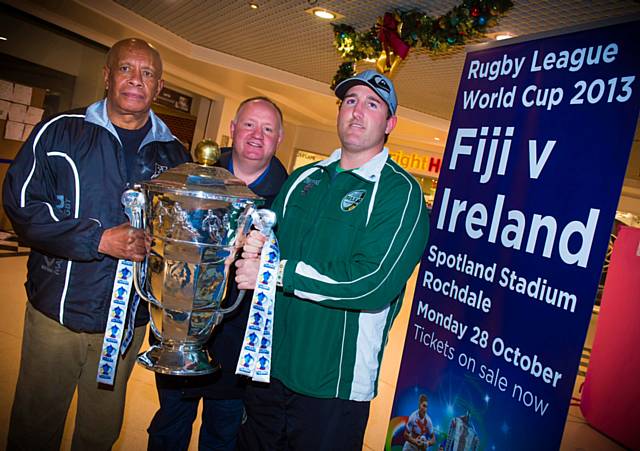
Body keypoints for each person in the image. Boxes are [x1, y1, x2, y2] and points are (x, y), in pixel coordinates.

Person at [3, 38, 189, 451]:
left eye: (147, 74)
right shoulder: (60, 131)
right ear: (107, 76)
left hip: (125, 325)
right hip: (58, 315)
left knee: (99, 433)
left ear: (158, 87)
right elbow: (22, 207)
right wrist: (98, 239)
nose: (135, 80)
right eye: (126, 69)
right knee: (35, 425)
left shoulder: (176, 156)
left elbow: (179, 241)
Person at [235, 70, 430, 450]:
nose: (357, 112)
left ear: (390, 123)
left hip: (333, 387)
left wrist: (274, 273)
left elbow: (371, 285)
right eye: (351, 101)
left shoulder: (399, 193)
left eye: (372, 104)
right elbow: (271, 248)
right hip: (269, 371)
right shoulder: (304, 179)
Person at [146, 97, 288, 451]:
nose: (257, 135)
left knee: (222, 436)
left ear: (280, 138)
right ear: (233, 129)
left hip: (239, 344)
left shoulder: (289, 198)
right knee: (168, 428)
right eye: (250, 125)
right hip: (180, 329)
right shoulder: (193, 178)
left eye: (268, 129)